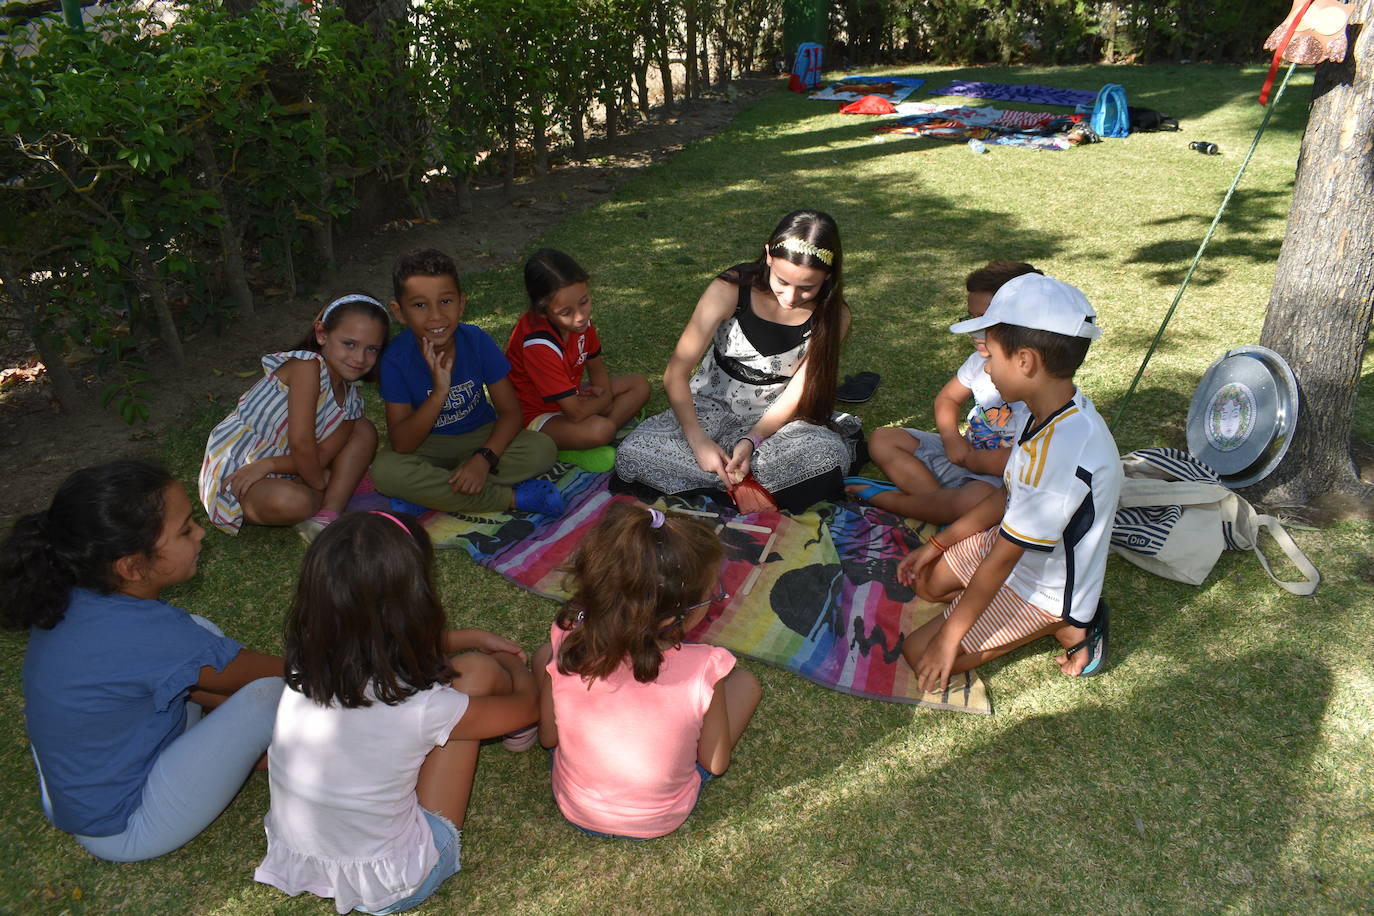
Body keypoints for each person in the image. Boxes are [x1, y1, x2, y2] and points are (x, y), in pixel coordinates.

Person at [255, 510, 539, 914]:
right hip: (393, 882)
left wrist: (470, 636)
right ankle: (517, 737)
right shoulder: (422, 707)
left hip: (303, 858)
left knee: (445, 695)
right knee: (478, 671)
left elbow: (376, 639)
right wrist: (513, 665)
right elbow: (526, 707)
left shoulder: (307, 664)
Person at [2, 461, 284, 862]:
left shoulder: (78, 592)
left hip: (99, 780)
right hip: (126, 824)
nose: (200, 533)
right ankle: (276, 748)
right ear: (132, 567)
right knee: (267, 696)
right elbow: (287, 675)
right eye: (185, 530)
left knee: (199, 636)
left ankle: (247, 748)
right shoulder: (146, 636)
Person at [897, 274, 1122, 690]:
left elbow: (1003, 557)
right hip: (1012, 547)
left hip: (1043, 588)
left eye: (992, 354)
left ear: (1025, 361)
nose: (985, 366)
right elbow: (1006, 494)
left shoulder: (1063, 449)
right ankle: (996, 609)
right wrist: (937, 545)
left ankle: (1070, 625)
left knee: (920, 654)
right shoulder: (1042, 409)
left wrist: (949, 638)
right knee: (927, 586)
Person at [532, 502, 761, 840]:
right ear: (670, 618)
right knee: (747, 684)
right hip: (658, 817)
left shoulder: (569, 638)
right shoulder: (705, 666)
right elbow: (715, 763)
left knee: (544, 656)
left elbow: (548, 738)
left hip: (576, 806)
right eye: (710, 594)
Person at [613, 209, 863, 512]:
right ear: (768, 256)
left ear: (828, 276)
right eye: (782, 281)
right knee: (634, 455)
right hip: (707, 408)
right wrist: (698, 442)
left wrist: (752, 440)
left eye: (807, 288)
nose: (790, 297)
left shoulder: (835, 316)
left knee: (826, 457)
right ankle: (751, 487)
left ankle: (728, 485)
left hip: (777, 423)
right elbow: (675, 374)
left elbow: (796, 393)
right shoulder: (729, 289)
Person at [371, 248, 563, 517]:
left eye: (445, 301)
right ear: (399, 312)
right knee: (384, 472)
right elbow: (403, 444)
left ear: (461, 303)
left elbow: (511, 413)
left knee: (542, 449)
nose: (436, 316)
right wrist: (439, 393)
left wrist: (483, 459)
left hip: (479, 435)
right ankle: (511, 498)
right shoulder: (395, 359)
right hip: (427, 444)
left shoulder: (476, 341)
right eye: (419, 305)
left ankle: (429, 494)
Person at [847, 260, 1042, 524]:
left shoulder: (1040, 381)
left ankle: (891, 500)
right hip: (964, 456)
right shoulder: (977, 361)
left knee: (975, 500)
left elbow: (1024, 459)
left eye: (984, 320)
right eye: (971, 318)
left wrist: (973, 460)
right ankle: (938, 505)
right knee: (883, 439)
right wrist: (951, 438)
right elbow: (948, 398)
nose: (973, 329)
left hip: (999, 477)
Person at [199, 292, 389, 541]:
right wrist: (321, 483)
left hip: (288, 467)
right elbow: (301, 442)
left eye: (371, 349)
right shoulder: (306, 367)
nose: (359, 358)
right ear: (321, 334)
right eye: (349, 344)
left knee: (364, 430)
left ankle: (328, 515)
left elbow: (321, 455)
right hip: (241, 465)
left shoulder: (351, 402)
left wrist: (269, 465)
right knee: (292, 502)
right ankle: (332, 490)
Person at [505, 248, 650, 472]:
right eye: (566, 312)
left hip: (571, 397)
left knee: (639, 384)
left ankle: (586, 438)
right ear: (543, 311)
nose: (580, 316)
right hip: (536, 414)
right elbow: (576, 413)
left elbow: (597, 369)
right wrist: (604, 400)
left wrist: (600, 393)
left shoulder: (580, 324)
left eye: (584, 302)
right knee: (601, 430)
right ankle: (575, 443)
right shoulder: (538, 344)